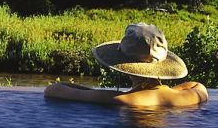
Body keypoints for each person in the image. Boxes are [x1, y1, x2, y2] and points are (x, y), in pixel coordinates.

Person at [44, 23, 208, 106]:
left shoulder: (123, 100)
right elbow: (196, 85)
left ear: (123, 63)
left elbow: (53, 90)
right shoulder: (192, 96)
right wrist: (170, 91)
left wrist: (94, 91)